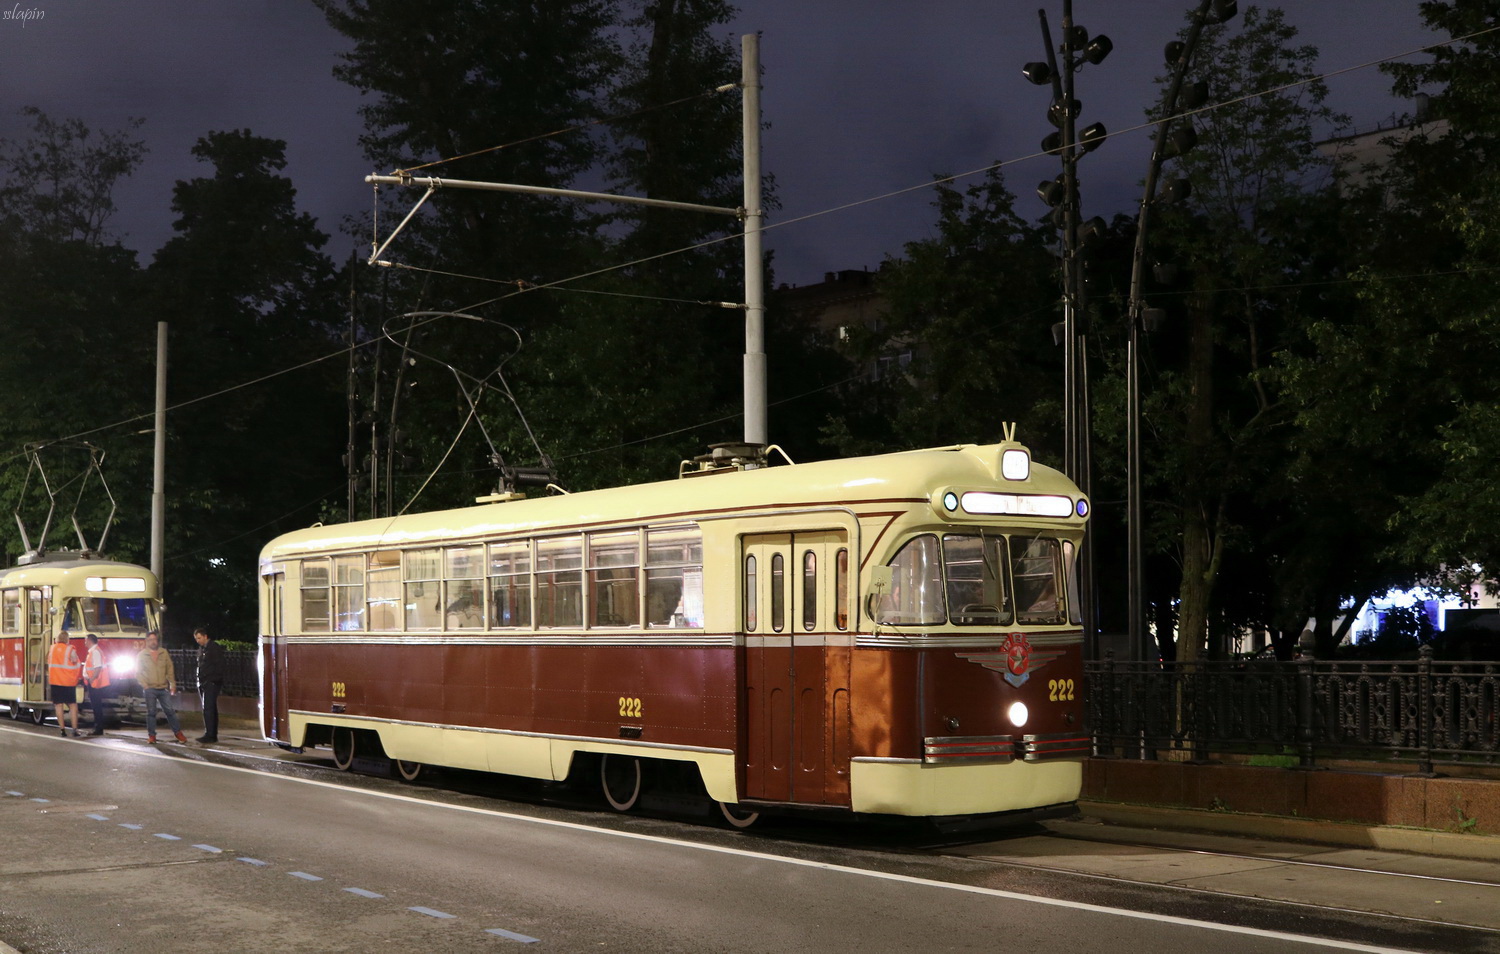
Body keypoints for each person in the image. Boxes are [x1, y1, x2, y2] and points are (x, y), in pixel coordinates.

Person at [135, 631, 187, 744]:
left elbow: (170, 669)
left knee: (170, 711)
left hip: (163, 688)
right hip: (150, 688)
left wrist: (172, 684)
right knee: (151, 712)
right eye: (150, 640)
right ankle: (152, 736)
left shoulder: (164, 653)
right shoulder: (142, 655)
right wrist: (145, 685)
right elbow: (138, 672)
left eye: (155, 639)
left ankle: (178, 733)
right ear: (146, 641)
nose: (153, 642)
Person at [47, 630, 83, 738]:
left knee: (58, 705)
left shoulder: (52, 648)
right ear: (67, 639)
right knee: (72, 705)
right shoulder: (70, 649)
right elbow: (76, 662)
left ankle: (62, 730)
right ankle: (74, 730)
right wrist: (76, 676)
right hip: (68, 682)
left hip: (55, 681)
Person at [193, 627, 224, 743]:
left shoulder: (213, 648)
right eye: (196, 639)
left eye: (199, 638)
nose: (198, 641)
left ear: (205, 636)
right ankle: (211, 733)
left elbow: (218, 665)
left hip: (211, 682)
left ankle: (210, 734)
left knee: (208, 708)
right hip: (204, 682)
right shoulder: (203, 649)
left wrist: (212, 679)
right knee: (209, 708)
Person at [81, 633, 111, 736]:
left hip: (95, 683)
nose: (85, 643)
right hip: (93, 682)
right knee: (96, 706)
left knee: (96, 706)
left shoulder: (95, 652)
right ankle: (98, 727)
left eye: (85, 640)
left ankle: (98, 728)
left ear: (89, 641)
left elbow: (98, 668)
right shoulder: (93, 651)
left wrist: (91, 679)